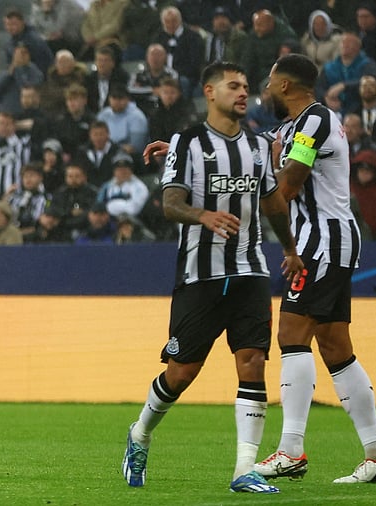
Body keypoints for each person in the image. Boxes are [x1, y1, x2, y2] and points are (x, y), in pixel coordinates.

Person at [123, 61, 303, 494]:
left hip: (250, 269)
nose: (243, 92)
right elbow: (169, 203)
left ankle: (245, 469)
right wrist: (201, 214)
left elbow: (274, 202)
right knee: (181, 372)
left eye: (246, 85)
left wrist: (292, 249)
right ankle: (140, 433)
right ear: (209, 91)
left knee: (253, 362)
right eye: (233, 86)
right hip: (200, 275)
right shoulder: (186, 142)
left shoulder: (258, 146)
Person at [255, 53, 376, 484]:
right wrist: (187, 150)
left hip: (322, 241)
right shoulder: (289, 127)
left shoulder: (314, 120)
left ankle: (291, 450)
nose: (263, 91)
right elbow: (240, 150)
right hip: (323, 241)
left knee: (291, 334)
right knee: (336, 347)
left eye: (268, 83)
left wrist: (273, 168)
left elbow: (289, 184)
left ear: (285, 86)